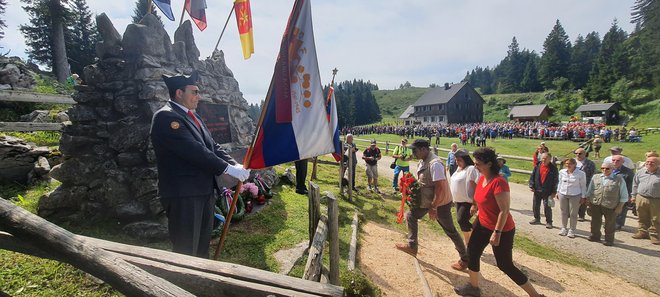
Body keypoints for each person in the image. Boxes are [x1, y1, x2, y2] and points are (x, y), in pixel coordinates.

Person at [150, 71, 250, 258]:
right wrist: (227, 169)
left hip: (202, 190)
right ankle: (183, 285)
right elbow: (194, 150)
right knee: (186, 247)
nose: (199, 96)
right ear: (179, 93)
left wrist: (235, 165)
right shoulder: (167, 117)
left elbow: (212, 146)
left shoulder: (191, 116)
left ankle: (202, 282)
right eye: (194, 92)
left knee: (202, 244)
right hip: (184, 194)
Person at [455, 147, 546, 297]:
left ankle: (535, 295)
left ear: (489, 164)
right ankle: (473, 287)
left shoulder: (499, 182)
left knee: (505, 265)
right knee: (472, 253)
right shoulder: (483, 178)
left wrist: (497, 233)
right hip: (482, 223)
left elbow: (504, 210)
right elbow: (480, 196)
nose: (475, 166)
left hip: (502, 228)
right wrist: (474, 205)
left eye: (478, 164)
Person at [395, 139, 469, 271]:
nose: (413, 153)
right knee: (411, 216)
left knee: (450, 231)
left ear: (423, 149)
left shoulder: (435, 164)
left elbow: (440, 187)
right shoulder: (423, 160)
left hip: (439, 203)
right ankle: (412, 247)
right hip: (427, 201)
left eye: (415, 150)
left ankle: (465, 259)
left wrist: (434, 207)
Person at [586, 162, 628, 246]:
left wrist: (620, 206)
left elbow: (624, 194)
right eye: (603, 168)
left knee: (610, 223)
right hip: (595, 203)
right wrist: (588, 201)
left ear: (612, 169)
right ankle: (595, 236)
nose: (604, 170)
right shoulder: (596, 177)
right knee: (595, 221)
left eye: (607, 168)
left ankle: (609, 240)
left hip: (611, 205)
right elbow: (590, 189)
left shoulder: (619, 179)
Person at [450, 149, 480, 244]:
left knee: (462, 220)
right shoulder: (458, 170)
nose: (457, 162)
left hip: (468, 201)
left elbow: (476, 187)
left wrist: (475, 204)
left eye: (459, 160)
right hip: (458, 201)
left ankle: (471, 241)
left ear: (465, 159)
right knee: (461, 222)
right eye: (456, 160)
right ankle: (469, 241)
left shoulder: (470, 169)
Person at [555, 158, 587, 238]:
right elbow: (560, 182)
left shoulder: (581, 173)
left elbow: (583, 186)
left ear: (574, 164)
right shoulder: (562, 172)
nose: (568, 165)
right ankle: (564, 228)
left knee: (573, 213)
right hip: (563, 193)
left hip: (575, 195)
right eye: (566, 164)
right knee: (564, 212)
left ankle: (572, 229)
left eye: (570, 164)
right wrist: (558, 192)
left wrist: (583, 196)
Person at [630, 157, 660, 244]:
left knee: (656, 218)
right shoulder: (641, 172)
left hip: (656, 200)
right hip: (641, 197)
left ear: (658, 164)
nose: (649, 163)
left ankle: (654, 235)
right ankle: (642, 232)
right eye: (648, 162)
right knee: (641, 216)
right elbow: (635, 184)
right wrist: (633, 196)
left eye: (652, 162)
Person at [528, 153, 558, 229]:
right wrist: (531, 185)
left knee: (547, 207)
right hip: (537, 189)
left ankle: (549, 222)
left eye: (546, 158)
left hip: (548, 191)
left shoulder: (553, 168)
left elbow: (556, 180)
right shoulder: (537, 166)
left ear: (550, 159)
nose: (544, 160)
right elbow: (533, 176)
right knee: (535, 205)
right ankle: (537, 219)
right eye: (543, 158)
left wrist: (554, 191)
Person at [612, 155, 634, 230]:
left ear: (623, 162)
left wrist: (629, 195)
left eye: (618, 160)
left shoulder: (628, 171)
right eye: (613, 160)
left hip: (623, 193)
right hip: (611, 193)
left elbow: (631, 183)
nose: (615, 162)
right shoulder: (608, 169)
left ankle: (618, 224)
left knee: (621, 209)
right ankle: (611, 222)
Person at [575, 148, 597, 221]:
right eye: (576, 153)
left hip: (585, 184)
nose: (578, 155)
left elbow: (593, 174)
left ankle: (581, 215)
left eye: (580, 153)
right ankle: (572, 213)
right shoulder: (572, 161)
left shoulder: (590, 163)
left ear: (585, 154)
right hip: (573, 184)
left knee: (583, 199)